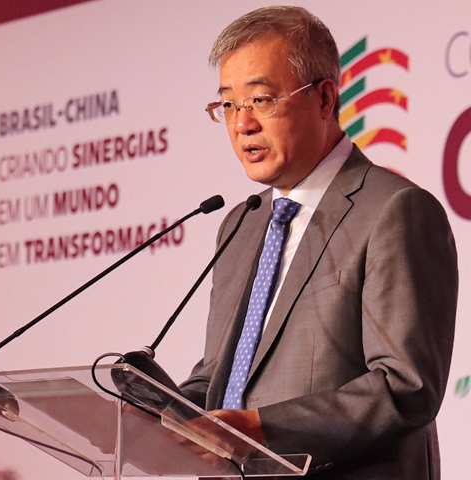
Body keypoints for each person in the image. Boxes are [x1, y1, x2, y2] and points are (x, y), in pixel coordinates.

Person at [178, 6, 458, 479]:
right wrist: (143, 408)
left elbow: (406, 387)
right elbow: (219, 376)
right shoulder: (241, 225)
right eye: (228, 104)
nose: (242, 124)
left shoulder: (395, 210)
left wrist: (263, 428)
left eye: (261, 99)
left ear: (325, 98)